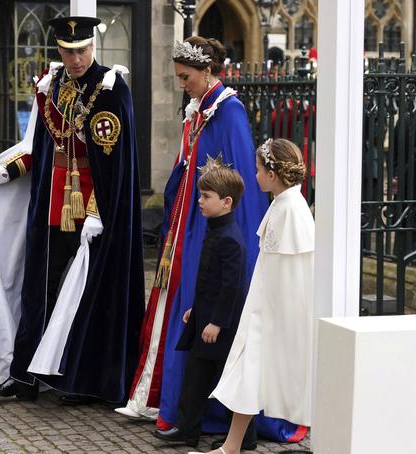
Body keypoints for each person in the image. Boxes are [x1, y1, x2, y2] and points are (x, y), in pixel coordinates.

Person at [0, 16, 145, 402]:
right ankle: (25, 376)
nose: (76, 59)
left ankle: (83, 379)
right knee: (40, 292)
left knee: (88, 293)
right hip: (51, 206)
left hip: (92, 210)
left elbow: (115, 164)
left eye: (82, 50)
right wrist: (8, 171)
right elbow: (40, 147)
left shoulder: (111, 89)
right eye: (68, 51)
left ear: (93, 47)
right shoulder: (50, 87)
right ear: (59, 50)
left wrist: (98, 211)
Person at [116, 37, 306, 444]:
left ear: (207, 72)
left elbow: (241, 189)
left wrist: (221, 232)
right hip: (191, 223)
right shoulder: (199, 111)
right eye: (179, 77)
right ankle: (181, 412)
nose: (182, 83)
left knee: (207, 327)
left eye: (186, 77)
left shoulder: (229, 112)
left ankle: (208, 420)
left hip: (212, 232)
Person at [195, 138, 315, 454]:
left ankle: (231, 447)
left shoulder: (290, 209)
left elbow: (288, 275)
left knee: (253, 373)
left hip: (271, 314)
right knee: (247, 374)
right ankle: (231, 446)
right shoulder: (283, 204)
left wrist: (267, 317)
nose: (255, 175)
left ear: (273, 174)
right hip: (263, 310)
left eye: (259, 169)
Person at [153, 160, 256, 449]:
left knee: (230, 380)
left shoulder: (231, 239)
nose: (199, 201)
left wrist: (216, 322)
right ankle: (187, 429)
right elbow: (208, 280)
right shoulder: (215, 230)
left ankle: (245, 437)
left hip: (221, 326)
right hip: (206, 319)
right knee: (196, 377)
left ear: (225, 202)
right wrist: (196, 310)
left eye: (205, 197)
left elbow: (232, 287)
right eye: (200, 195)